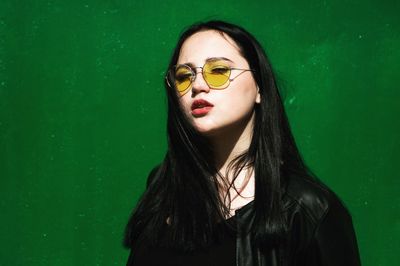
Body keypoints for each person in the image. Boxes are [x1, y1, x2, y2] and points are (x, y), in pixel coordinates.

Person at [123, 20, 361, 266]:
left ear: (259, 87)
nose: (198, 86)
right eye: (184, 76)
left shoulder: (308, 209)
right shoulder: (163, 189)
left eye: (218, 71)